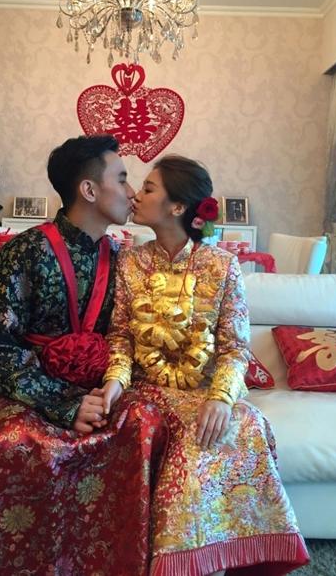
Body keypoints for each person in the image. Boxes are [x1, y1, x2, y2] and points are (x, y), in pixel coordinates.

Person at [0, 135, 169, 575]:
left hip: (97, 384)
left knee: (143, 423)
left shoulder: (123, 259)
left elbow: (131, 337)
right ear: (89, 189)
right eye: (122, 178)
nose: (130, 190)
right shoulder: (23, 252)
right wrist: (64, 404)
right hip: (24, 386)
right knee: (19, 439)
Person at [101, 155, 310, 576]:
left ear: (178, 207)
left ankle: (224, 558)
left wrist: (220, 397)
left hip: (204, 390)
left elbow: (235, 347)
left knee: (245, 423)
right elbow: (120, 336)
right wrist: (115, 381)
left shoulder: (222, 265)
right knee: (170, 431)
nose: (136, 195)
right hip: (147, 390)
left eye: (149, 188)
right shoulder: (128, 262)